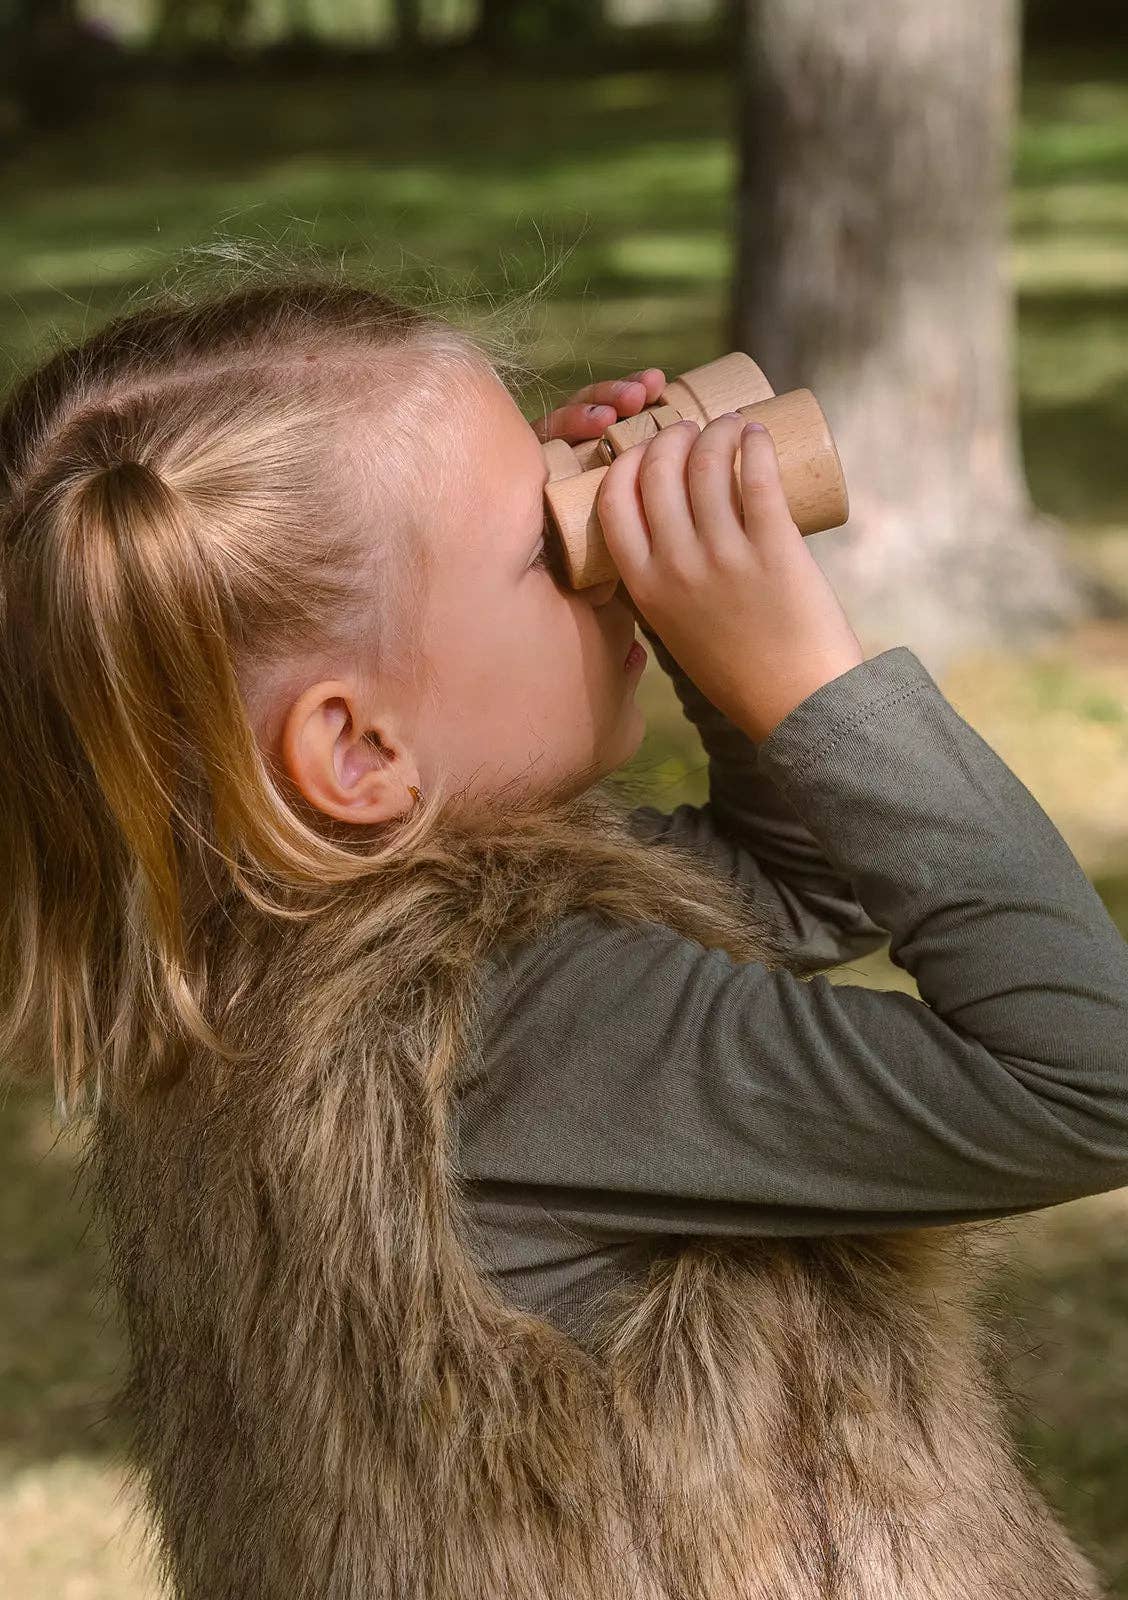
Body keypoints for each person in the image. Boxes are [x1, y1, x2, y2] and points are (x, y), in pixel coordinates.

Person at [1, 272, 1125, 1600]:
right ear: (356, 752)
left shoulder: (270, 959)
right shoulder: (521, 1023)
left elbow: (790, 899)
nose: (602, 542)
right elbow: (1086, 1074)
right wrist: (811, 682)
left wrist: (710, 649)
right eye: (549, 542)